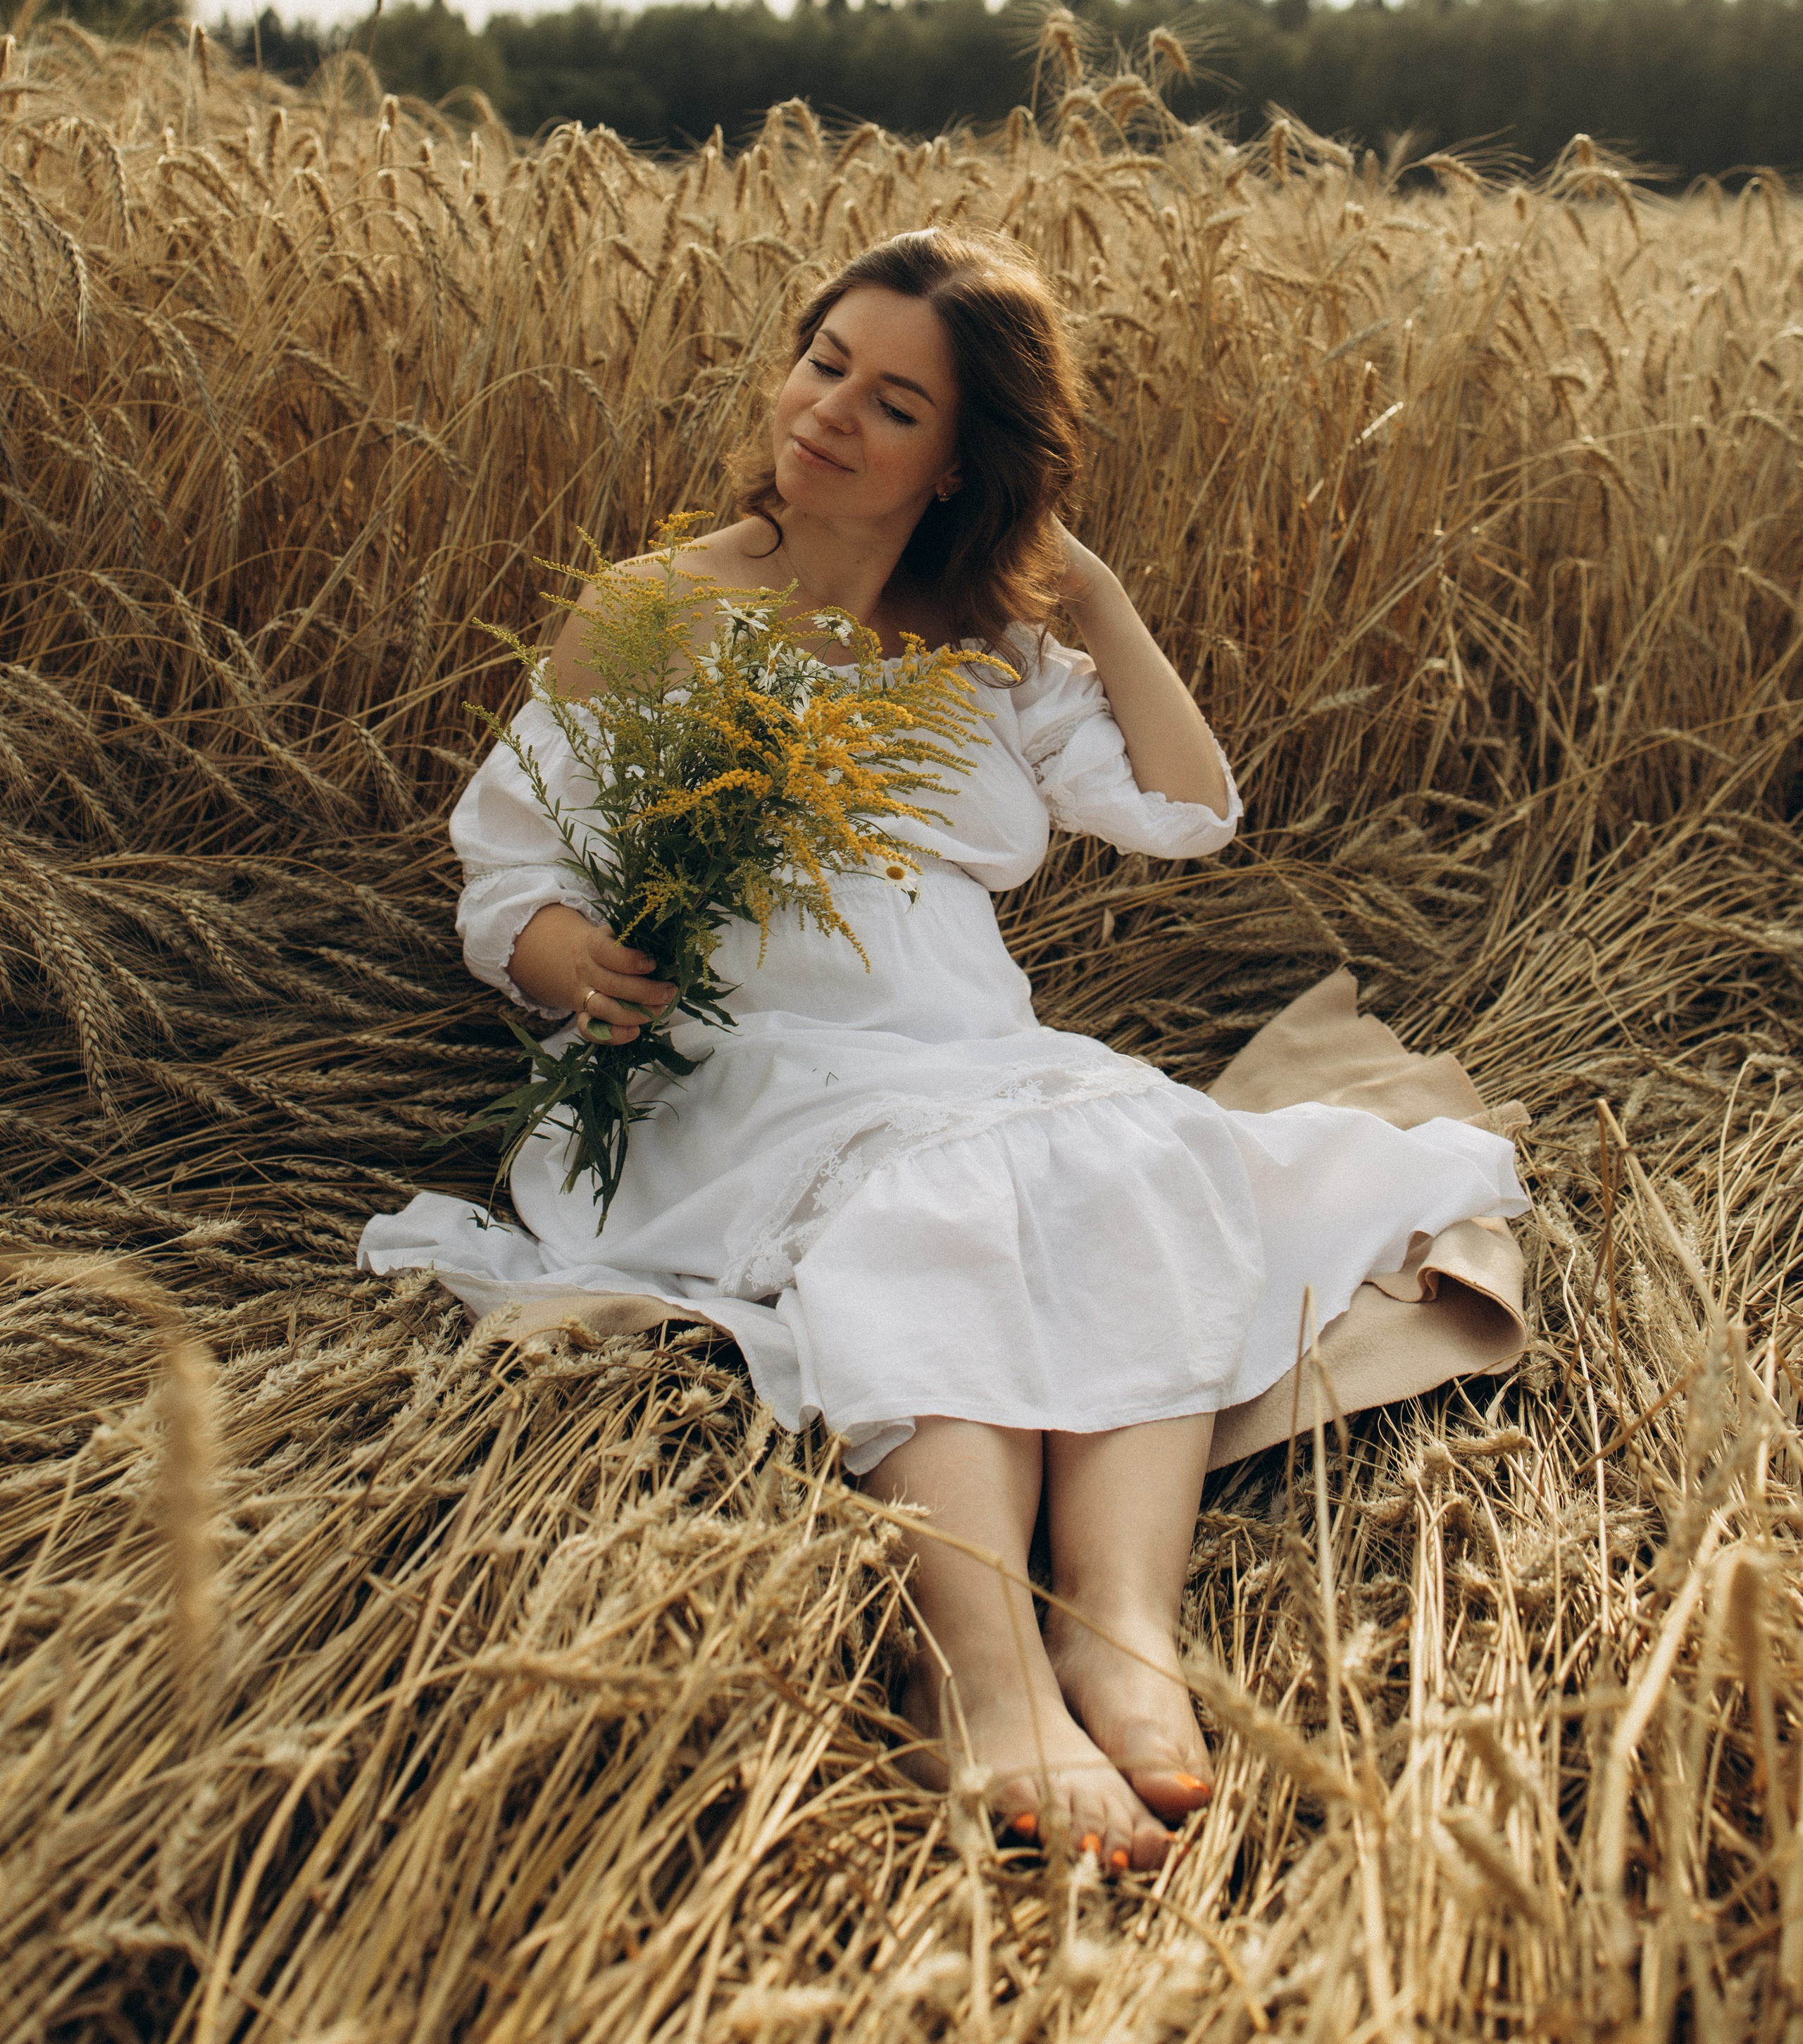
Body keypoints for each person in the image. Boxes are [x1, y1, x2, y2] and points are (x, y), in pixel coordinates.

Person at [361, 227, 1526, 1874]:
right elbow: (509, 865)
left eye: (891, 401)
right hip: (741, 1062)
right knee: (929, 1208)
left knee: (1139, 1154)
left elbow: (1189, 810)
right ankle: (976, 1679)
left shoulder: (983, 644)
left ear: (959, 461)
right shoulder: (653, 610)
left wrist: (1085, 585)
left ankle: (1117, 1638)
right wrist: (571, 962)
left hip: (969, 1046)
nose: (827, 411)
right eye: (823, 361)